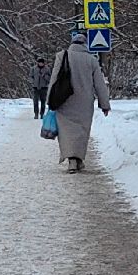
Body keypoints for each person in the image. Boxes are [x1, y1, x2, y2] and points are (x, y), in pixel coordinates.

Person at [48, 29, 111, 173]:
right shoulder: (91, 60)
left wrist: (49, 100)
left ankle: (71, 160)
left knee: (66, 132)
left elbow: (54, 79)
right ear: (85, 44)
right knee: (82, 131)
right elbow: (99, 84)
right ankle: (78, 159)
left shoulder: (61, 56)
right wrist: (104, 104)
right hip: (84, 103)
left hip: (64, 100)